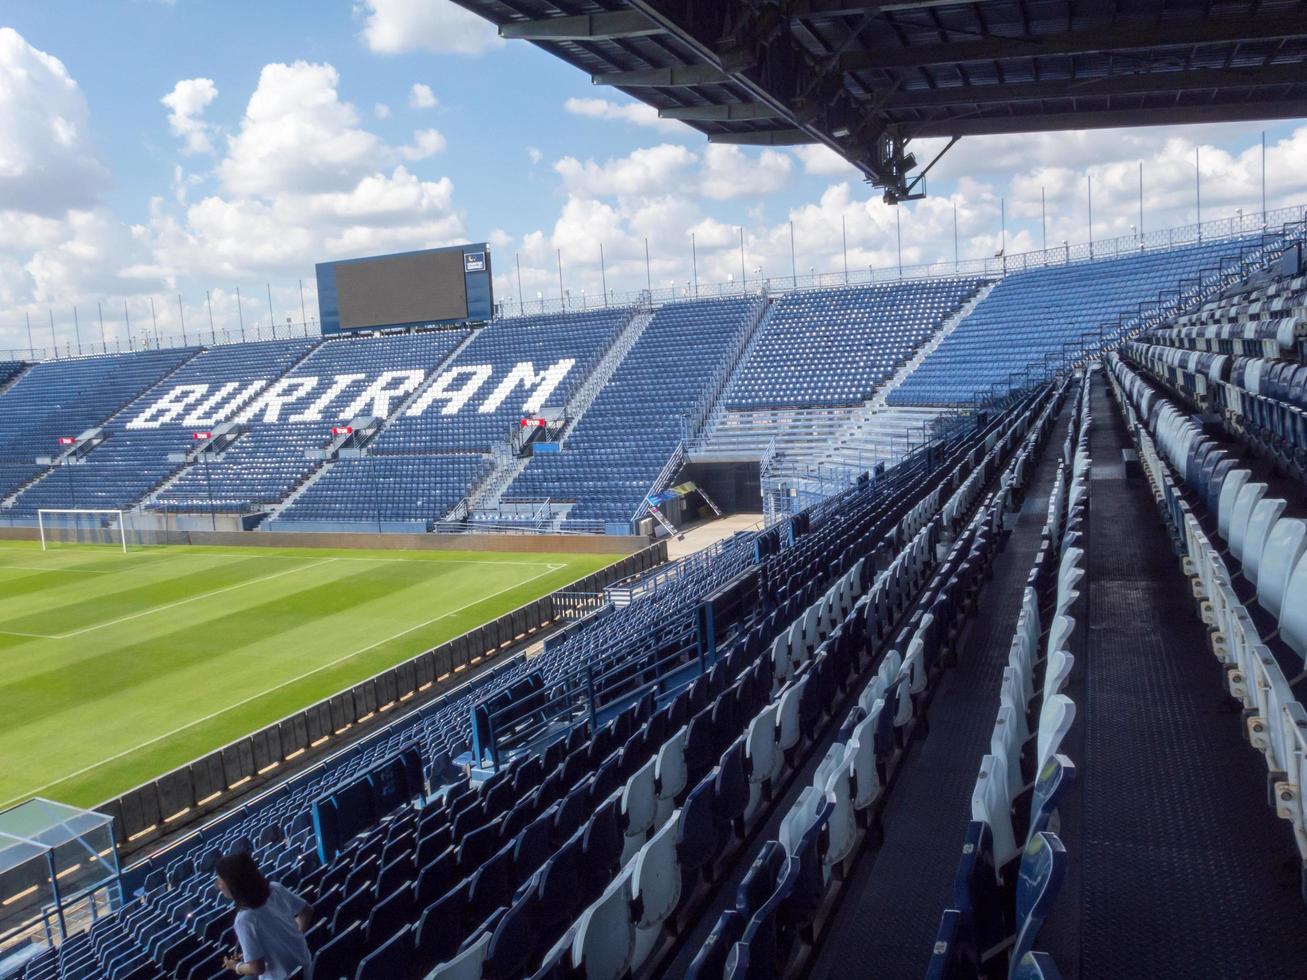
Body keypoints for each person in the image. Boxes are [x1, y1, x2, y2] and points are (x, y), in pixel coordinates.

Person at [216, 851, 315, 979]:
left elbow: (257, 968)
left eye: (219, 880)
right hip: (307, 968)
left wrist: (235, 966)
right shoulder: (275, 888)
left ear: (233, 883)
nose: (218, 886)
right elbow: (307, 911)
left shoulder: (244, 920)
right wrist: (293, 939)